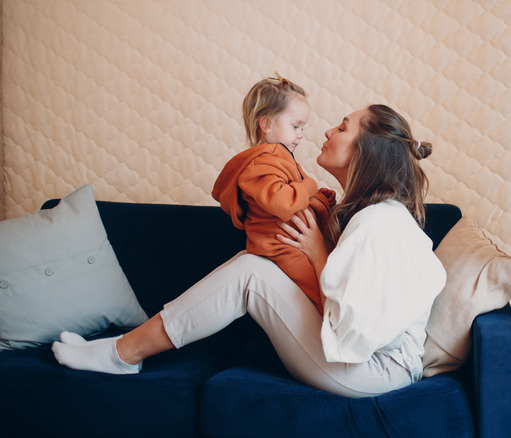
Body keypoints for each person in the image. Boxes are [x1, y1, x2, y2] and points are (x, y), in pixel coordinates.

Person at [52, 103, 446, 398]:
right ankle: (124, 351)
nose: (327, 131)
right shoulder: (367, 214)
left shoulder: (378, 222)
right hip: (368, 361)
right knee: (253, 265)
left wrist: (317, 254)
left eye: (343, 127)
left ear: (368, 150)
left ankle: (122, 354)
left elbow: (356, 330)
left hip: (374, 370)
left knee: (251, 274)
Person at [212, 74, 335, 314]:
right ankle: (332, 324)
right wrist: (310, 186)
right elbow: (283, 202)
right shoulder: (261, 163)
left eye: (303, 127)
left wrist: (320, 199)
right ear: (266, 124)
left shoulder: (279, 158)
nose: (300, 134)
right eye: (295, 126)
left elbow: (294, 197)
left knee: (328, 279)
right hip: (280, 247)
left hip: (291, 242)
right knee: (322, 291)